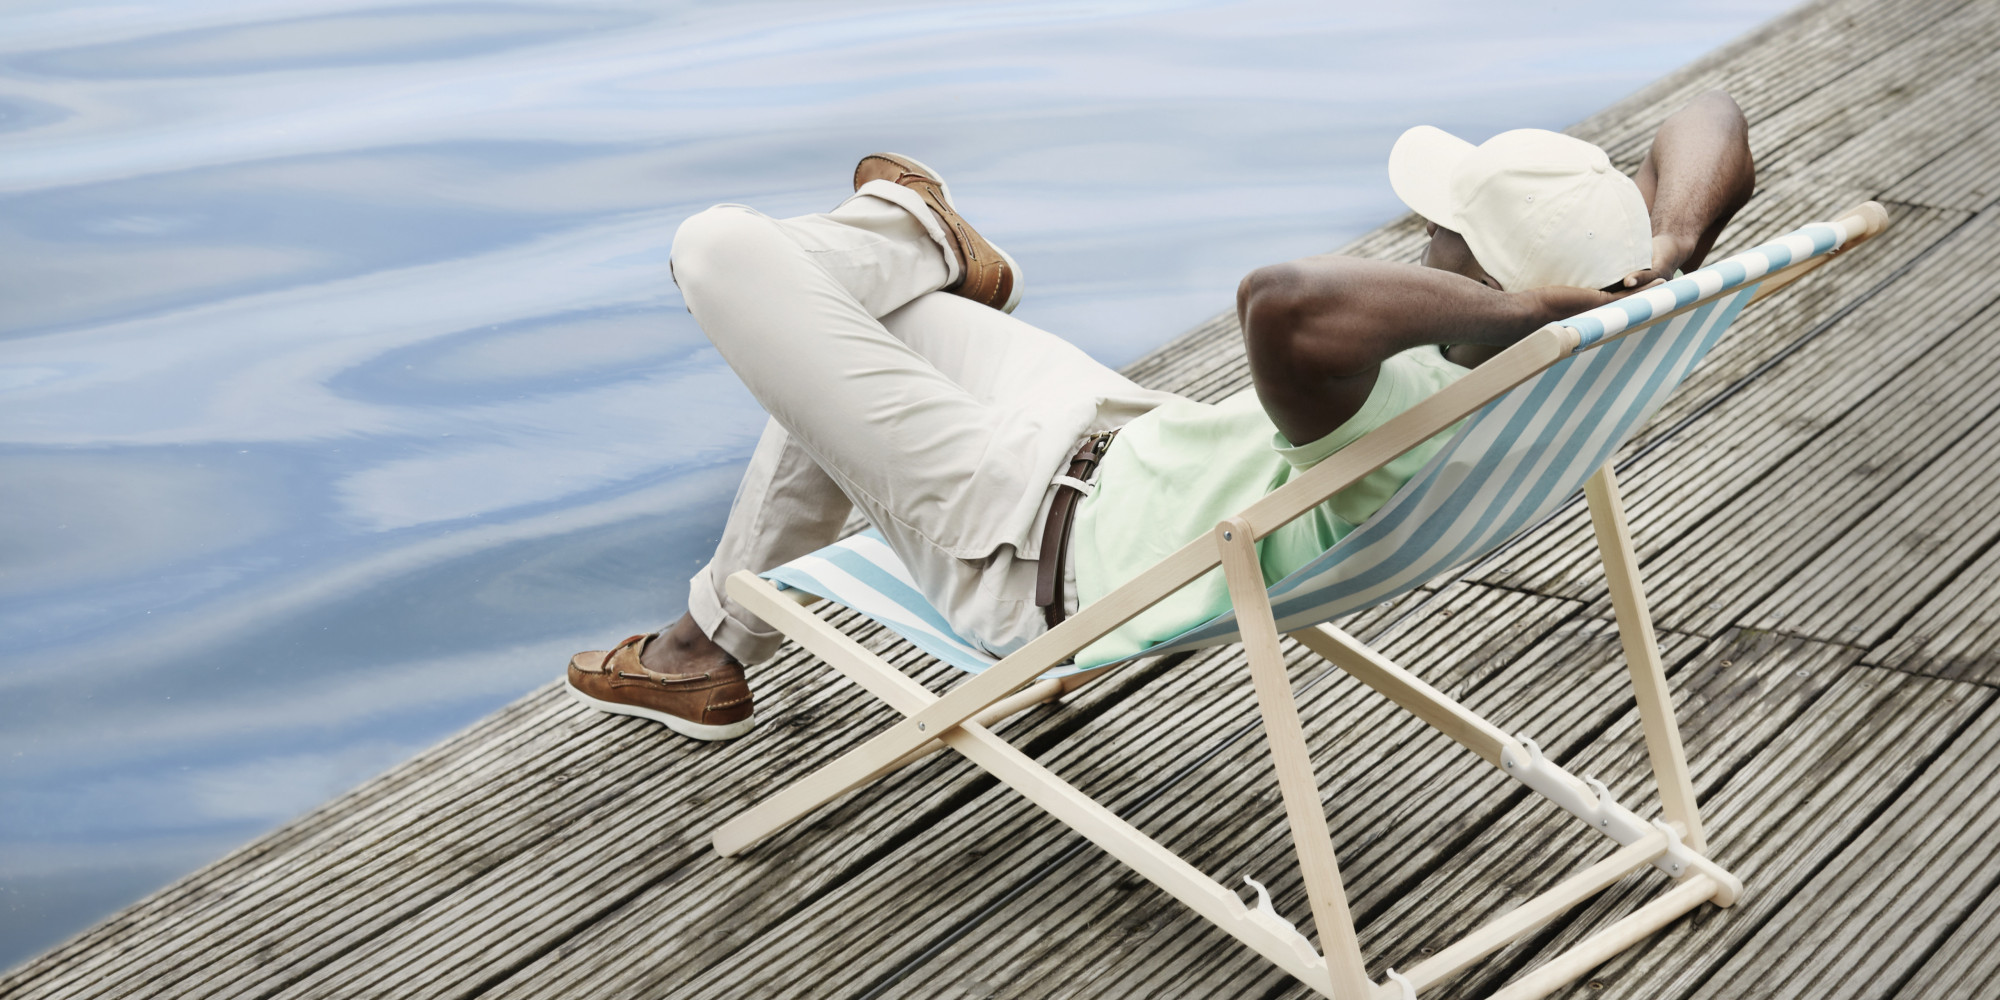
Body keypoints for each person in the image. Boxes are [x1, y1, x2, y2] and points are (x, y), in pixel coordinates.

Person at [565, 90, 1755, 741]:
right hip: (1107, 444)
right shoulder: (1573, 353)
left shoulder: (1360, 385)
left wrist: (1524, 298)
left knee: (721, 249)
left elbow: (1279, 300)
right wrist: (1666, 248)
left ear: (1480, 278)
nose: (1418, 238)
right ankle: (704, 648)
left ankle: (918, 232)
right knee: (849, 341)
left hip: (1017, 536)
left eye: (1439, 232)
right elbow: (1711, 114)